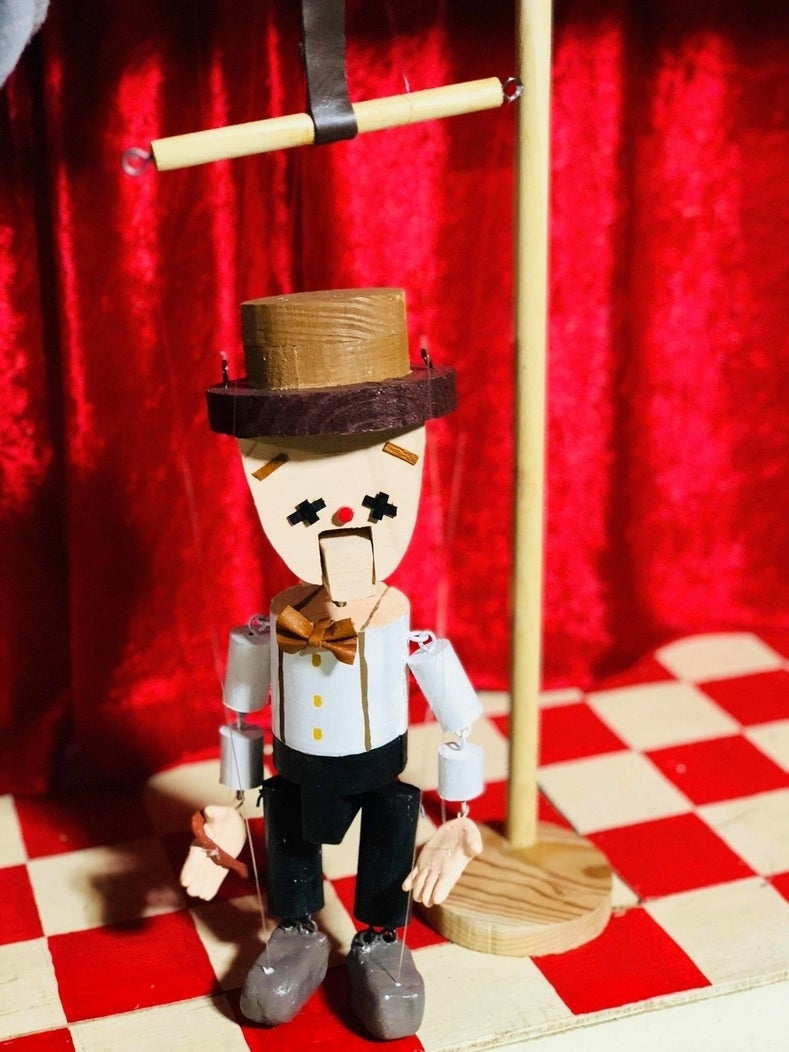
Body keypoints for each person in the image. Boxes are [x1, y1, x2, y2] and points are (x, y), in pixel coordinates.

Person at [182, 288, 483, 1040]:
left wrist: (460, 816)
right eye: (307, 507)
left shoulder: (401, 624)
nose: (343, 519)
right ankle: (297, 931)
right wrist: (235, 803)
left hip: (379, 762)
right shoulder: (273, 622)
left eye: (374, 499)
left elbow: (458, 721)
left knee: (392, 822)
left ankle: (380, 941)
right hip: (297, 764)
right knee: (286, 827)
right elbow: (241, 713)